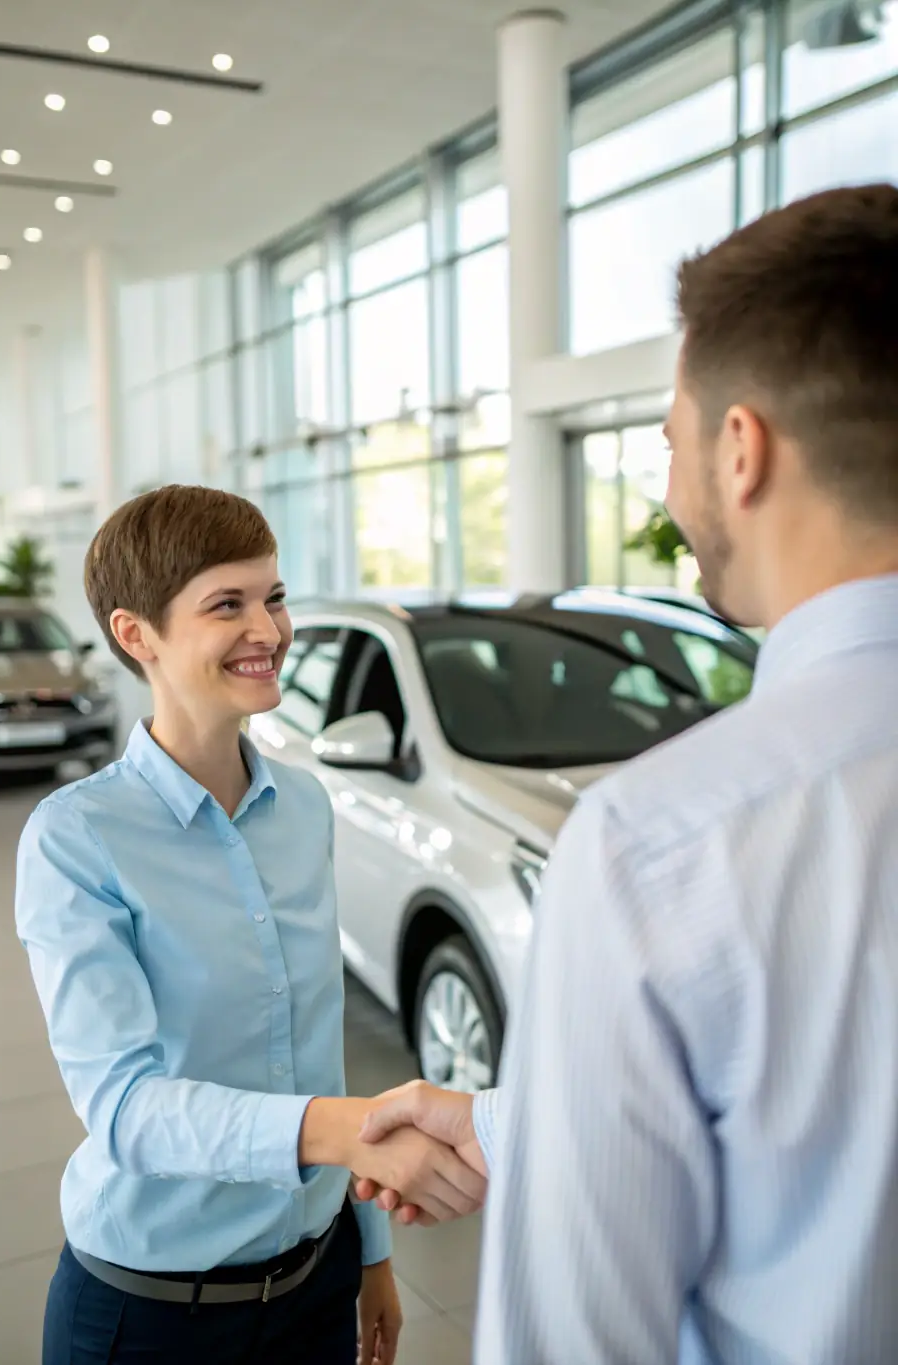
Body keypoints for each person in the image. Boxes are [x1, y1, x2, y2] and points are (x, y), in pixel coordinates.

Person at [357, 183, 898, 1364]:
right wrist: (524, 1120)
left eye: (668, 441)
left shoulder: (663, 842)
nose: (668, 485)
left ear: (739, 450)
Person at [15, 486, 486, 1365]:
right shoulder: (76, 838)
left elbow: (314, 1046)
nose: (268, 630)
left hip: (317, 1281)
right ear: (136, 634)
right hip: (152, 1316)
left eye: (273, 596)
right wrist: (347, 1131)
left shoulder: (302, 806)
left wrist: (369, 1251)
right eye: (226, 604)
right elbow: (125, 1107)